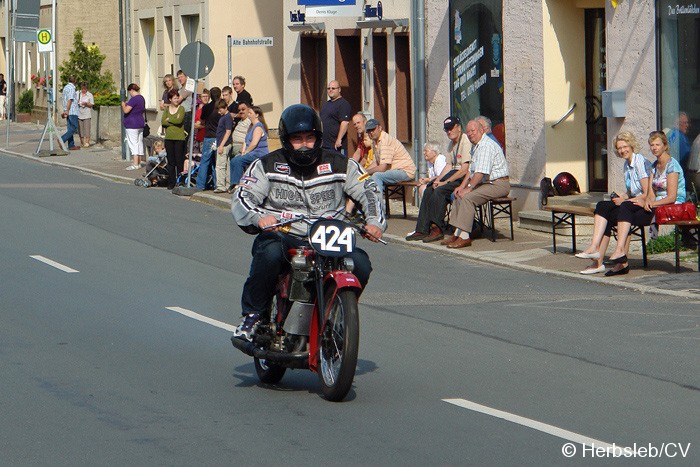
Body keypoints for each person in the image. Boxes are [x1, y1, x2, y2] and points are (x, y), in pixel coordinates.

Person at [230, 103, 386, 341]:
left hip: (330, 236)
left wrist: (375, 222)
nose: (304, 144)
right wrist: (259, 216)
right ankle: (253, 315)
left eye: (309, 137)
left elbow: (369, 189)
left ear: (318, 137)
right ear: (286, 139)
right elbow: (243, 195)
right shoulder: (266, 164)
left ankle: (337, 311)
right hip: (285, 232)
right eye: (297, 138)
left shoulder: (341, 163)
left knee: (361, 264)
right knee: (269, 253)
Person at [576, 132, 653, 275]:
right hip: (631, 203)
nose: (622, 150)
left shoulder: (639, 162)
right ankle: (594, 249)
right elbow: (631, 192)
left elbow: (646, 193)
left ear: (631, 146)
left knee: (613, 215)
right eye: (619, 148)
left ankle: (613, 261)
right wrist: (622, 195)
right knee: (602, 206)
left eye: (625, 146)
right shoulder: (627, 164)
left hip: (642, 206)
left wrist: (624, 200)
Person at [443, 119, 510, 248]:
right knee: (458, 194)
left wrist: (469, 188)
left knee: (467, 197)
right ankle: (457, 233)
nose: (470, 134)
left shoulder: (486, 146)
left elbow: (480, 173)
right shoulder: (476, 146)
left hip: (498, 184)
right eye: (468, 132)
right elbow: (471, 171)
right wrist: (461, 187)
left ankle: (465, 237)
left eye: (473, 131)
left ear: (481, 130)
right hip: (488, 183)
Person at [406, 116, 471, 242]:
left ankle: (437, 228)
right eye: (446, 129)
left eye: (451, 128)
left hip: (462, 176)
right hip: (453, 172)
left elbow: (464, 169)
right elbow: (448, 166)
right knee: (430, 189)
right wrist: (437, 180)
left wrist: (445, 182)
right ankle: (422, 228)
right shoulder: (452, 144)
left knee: (439, 191)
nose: (449, 132)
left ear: (458, 127)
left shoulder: (465, 142)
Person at [364, 118, 416, 193]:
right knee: (365, 177)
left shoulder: (385, 141)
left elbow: (382, 168)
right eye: (369, 131)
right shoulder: (375, 142)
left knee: (376, 176)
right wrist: (363, 172)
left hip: (405, 171)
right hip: (394, 170)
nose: (371, 132)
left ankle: (377, 203)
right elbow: (376, 163)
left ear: (380, 128)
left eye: (373, 129)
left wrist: (366, 172)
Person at [229, 105, 269, 186]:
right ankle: (234, 182)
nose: (248, 115)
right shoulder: (251, 127)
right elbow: (245, 141)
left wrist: (246, 152)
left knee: (238, 161)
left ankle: (237, 183)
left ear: (257, 115)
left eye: (250, 113)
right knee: (234, 160)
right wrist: (242, 151)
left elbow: (254, 143)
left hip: (259, 153)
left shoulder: (258, 127)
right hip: (251, 152)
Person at [196, 87, 222, 190]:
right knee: (217, 162)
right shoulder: (221, 107)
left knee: (205, 161)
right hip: (219, 137)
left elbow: (202, 120)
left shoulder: (206, 107)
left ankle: (200, 185)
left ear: (210, 96)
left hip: (208, 136)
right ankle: (217, 184)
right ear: (219, 95)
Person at [161, 89, 187, 189]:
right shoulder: (167, 110)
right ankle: (171, 182)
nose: (176, 100)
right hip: (169, 138)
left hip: (179, 138)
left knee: (179, 160)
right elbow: (163, 122)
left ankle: (180, 181)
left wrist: (170, 120)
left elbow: (179, 121)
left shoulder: (181, 109)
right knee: (171, 161)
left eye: (177, 98)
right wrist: (172, 120)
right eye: (175, 98)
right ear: (170, 99)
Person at [320, 80, 352, 154]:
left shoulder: (343, 104)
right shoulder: (326, 104)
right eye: (329, 88)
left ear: (339, 89)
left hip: (336, 146)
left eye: (333, 88)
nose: (330, 90)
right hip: (324, 145)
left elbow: (345, 123)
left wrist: (339, 139)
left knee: (338, 165)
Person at [122, 83, 146, 170]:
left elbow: (126, 110)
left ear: (131, 90)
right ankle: (139, 162)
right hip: (140, 123)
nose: (130, 94)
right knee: (139, 142)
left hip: (132, 124)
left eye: (130, 92)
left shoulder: (134, 99)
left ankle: (135, 164)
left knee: (133, 144)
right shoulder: (141, 98)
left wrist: (123, 104)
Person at [213, 99, 234, 193]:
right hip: (223, 143)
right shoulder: (225, 117)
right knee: (226, 165)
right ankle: (227, 184)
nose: (218, 112)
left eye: (220, 109)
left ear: (225, 107)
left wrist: (221, 145)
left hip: (224, 144)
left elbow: (228, 131)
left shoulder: (227, 117)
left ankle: (221, 185)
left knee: (220, 166)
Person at [61, 76, 80, 150]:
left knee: (70, 128)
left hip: (67, 109)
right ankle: (62, 139)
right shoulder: (72, 88)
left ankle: (71, 145)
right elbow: (70, 100)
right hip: (72, 111)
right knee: (74, 128)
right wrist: (68, 110)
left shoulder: (66, 87)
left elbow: (65, 99)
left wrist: (65, 109)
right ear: (75, 81)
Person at [77, 82, 94, 148]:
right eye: (82, 88)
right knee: (80, 129)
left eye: (84, 89)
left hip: (87, 113)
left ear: (87, 88)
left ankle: (87, 142)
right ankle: (82, 142)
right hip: (79, 113)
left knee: (87, 129)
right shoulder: (78, 93)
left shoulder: (90, 95)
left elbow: (91, 104)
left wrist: (86, 104)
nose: (83, 90)